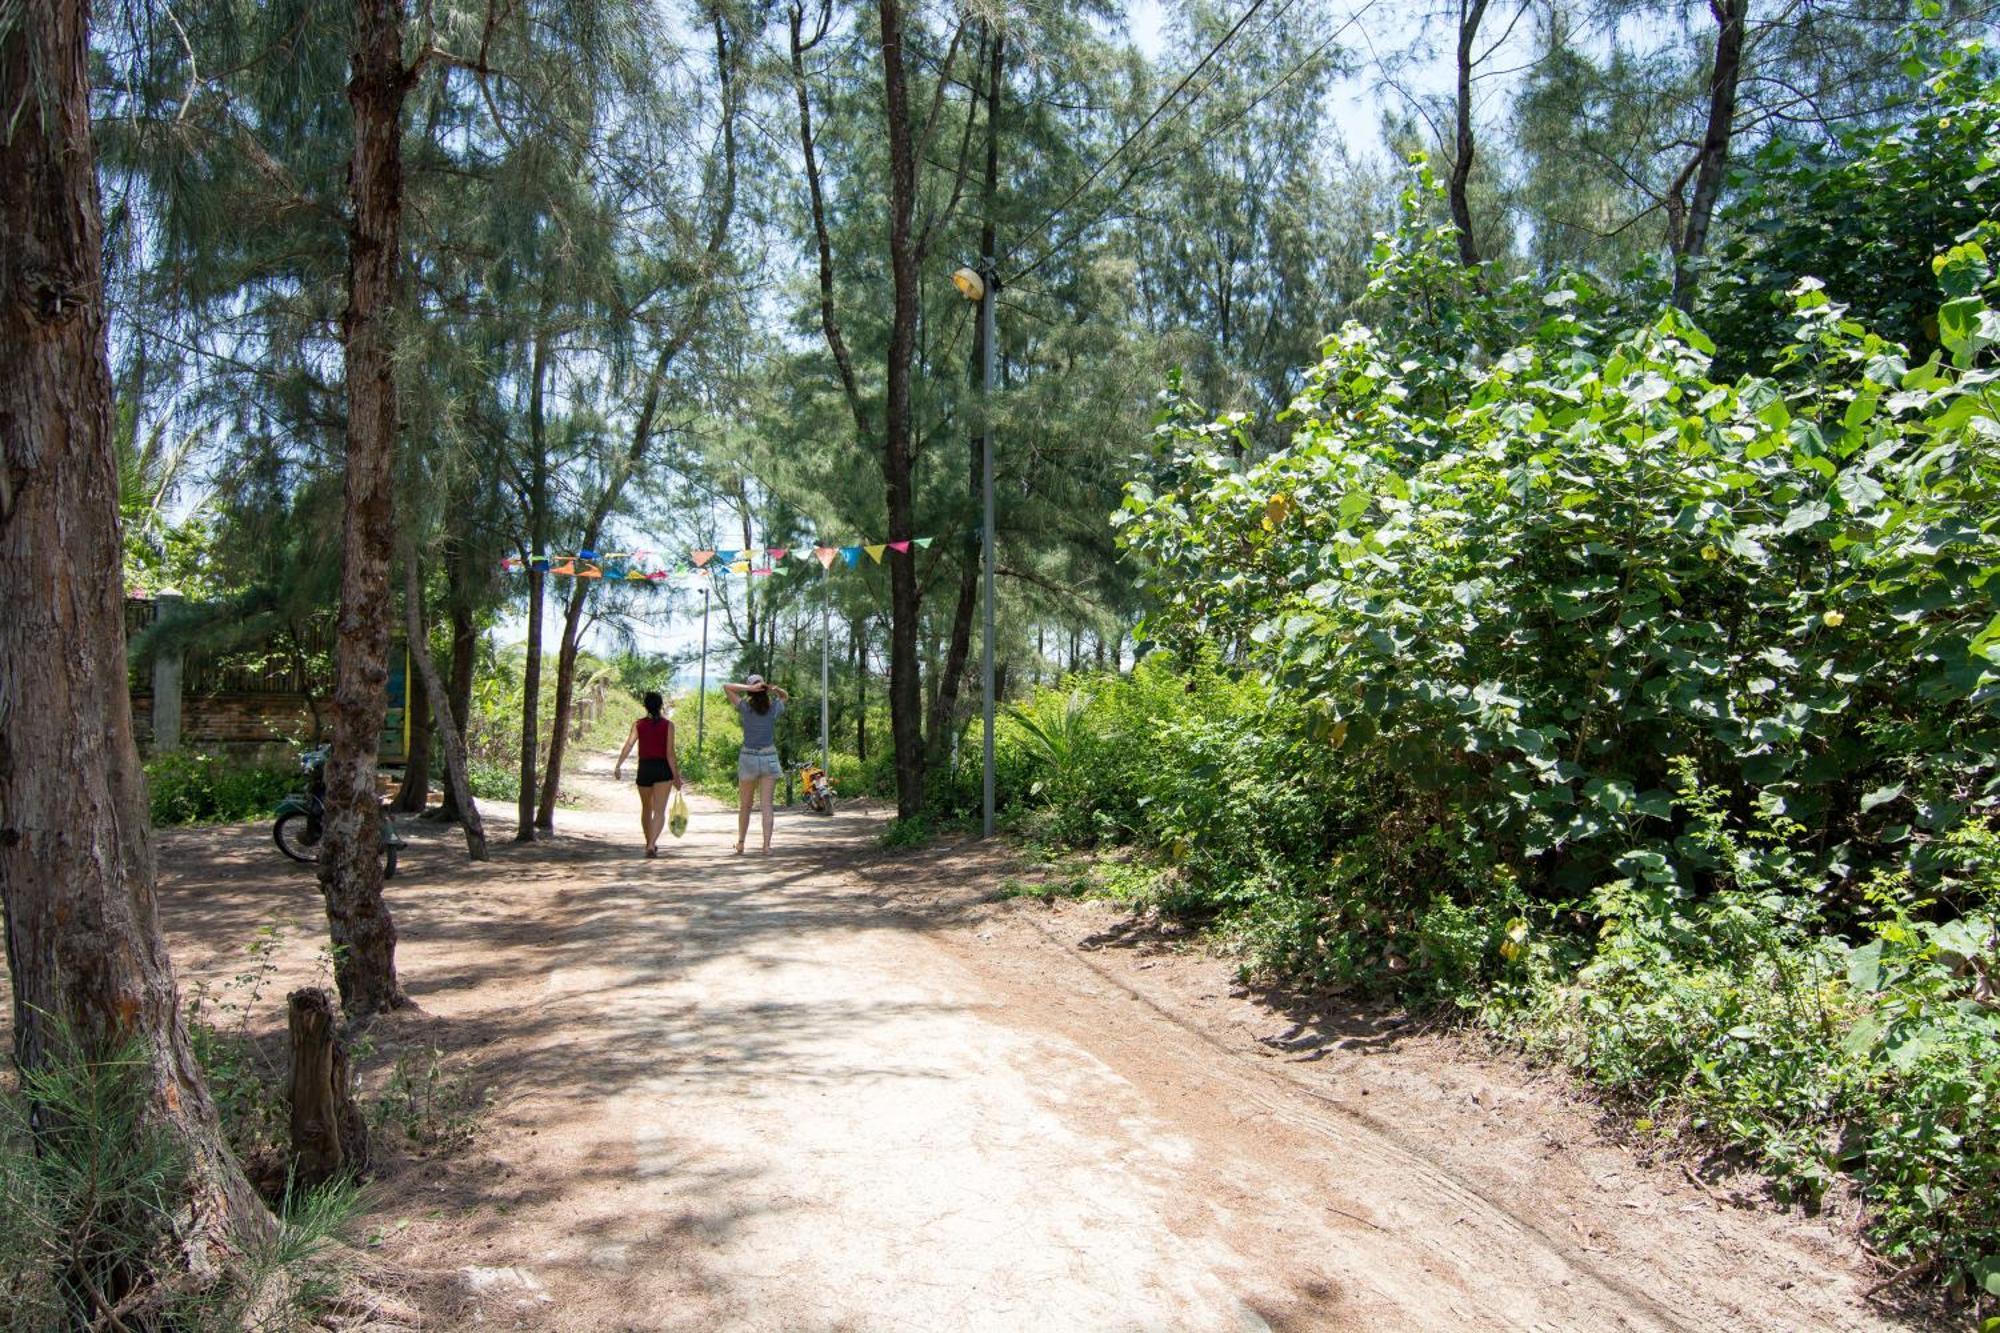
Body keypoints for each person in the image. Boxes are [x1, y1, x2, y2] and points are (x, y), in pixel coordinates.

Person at [723, 674, 788, 854]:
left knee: (745, 805)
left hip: (748, 758)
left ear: (752, 691)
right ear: (764, 690)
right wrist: (774, 689)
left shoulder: (745, 707)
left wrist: (748, 688)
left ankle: (741, 843)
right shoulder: (774, 708)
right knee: (767, 805)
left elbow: (727, 686)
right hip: (769, 757)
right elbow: (785, 696)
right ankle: (766, 846)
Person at [613, 690, 683, 858]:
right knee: (659, 811)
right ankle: (651, 844)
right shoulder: (668, 725)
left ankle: (649, 843)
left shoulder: (638, 724)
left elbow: (629, 745)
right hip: (662, 769)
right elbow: (670, 754)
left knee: (646, 808)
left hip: (644, 768)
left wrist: (618, 765)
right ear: (661, 706)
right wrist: (676, 777)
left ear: (645, 706)